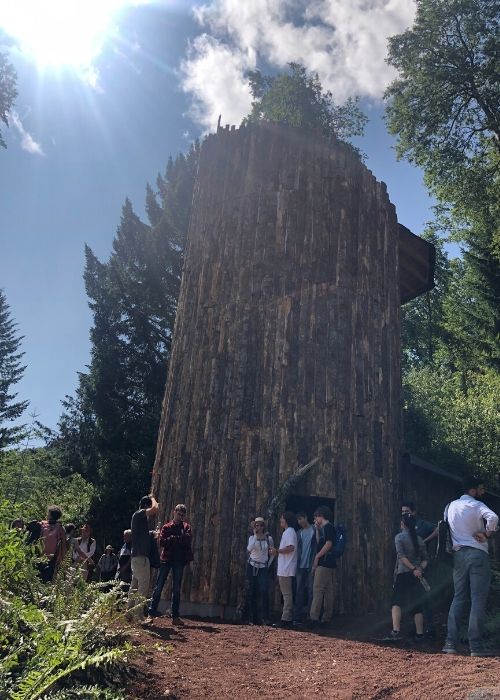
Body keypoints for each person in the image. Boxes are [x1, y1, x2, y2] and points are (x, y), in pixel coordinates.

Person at [442, 476, 498, 657]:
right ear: (472, 490)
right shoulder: (476, 505)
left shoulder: (450, 506)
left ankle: (450, 643)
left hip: (458, 555)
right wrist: (487, 534)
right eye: (480, 489)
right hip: (478, 554)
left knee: (458, 597)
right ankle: (476, 646)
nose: (482, 492)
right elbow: (494, 517)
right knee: (477, 599)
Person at [385, 513, 428, 642]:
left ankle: (396, 631)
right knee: (417, 604)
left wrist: (413, 569)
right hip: (416, 576)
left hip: (403, 574)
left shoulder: (399, 537)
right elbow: (425, 559)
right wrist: (419, 569)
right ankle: (420, 634)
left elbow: (401, 557)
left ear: (403, 524)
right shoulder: (419, 539)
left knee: (396, 602)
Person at [147, 503, 193, 624]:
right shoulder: (167, 527)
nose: (180, 517)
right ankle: (151, 614)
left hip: (179, 560)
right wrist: (177, 538)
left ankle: (175, 616)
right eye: (178, 514)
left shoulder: (186, 527)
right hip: (166, 559)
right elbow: (162, 542)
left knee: (176, 589)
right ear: (174, 512)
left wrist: (172, 539)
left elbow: (187, 539)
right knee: (159, 586)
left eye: (182, 515)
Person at [401, 502, 437, 637]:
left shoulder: (422, 524)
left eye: (407, 511)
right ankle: (416, 628)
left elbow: (438, 529)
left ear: (414, 512)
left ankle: (430, 628)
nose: (404, 513)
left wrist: (425, 541)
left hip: (422, 566)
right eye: (403, 511)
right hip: (408, 567)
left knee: (424, 597)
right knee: (411, 598)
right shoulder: (403, 526)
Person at [128, 494, 158, 620]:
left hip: (137, 558)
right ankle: (138, 616)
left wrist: (152, 533)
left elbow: (143, 535)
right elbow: (154, 509)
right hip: (141, 558)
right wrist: (153, 498)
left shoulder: (139, 520)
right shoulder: (139, 513)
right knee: (143, 587)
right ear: (146, 506)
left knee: (134, 586)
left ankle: (129, 612)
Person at [308, 506, 336, 628]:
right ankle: (326, 617)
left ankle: (314, 617)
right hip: (329, 563)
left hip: (324, 563)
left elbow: (329, 544)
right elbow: (321, 542)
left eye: (316, 517)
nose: (315, 519)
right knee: (328, 590)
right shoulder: (325, 528)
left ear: (321, 515)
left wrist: (317, 557)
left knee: (318, 589)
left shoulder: (329, 527)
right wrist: (317, 530)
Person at [245, 516, 275, 625]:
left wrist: (268, 563)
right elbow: (249, 549)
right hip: (252, 565)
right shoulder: (252, 538)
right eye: (256, 525)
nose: (258, 527)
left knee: (264, 591)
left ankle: (264, 618)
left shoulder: (268, 538)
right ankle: (252, 618)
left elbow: (272, 553)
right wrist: (255, 536)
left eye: (260, 525)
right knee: (252, 591)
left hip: (263, 567)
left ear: (263, 526)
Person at [269, 511, 297, 628]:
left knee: (287, 594)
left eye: (282, 518)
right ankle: (287, 618)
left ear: (286, 520)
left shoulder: (289, 532)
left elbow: (291, 547)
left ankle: (286, 619)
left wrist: (277, 551)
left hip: (286, 568)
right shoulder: (288, 532)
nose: (280, 520)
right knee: (286, 594)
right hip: (285, 567)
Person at [293, 511, 316, 625]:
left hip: (311, 565)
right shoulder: (298, 533)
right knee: (299, 592)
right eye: (298, 520)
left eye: (301, 518)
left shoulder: (315, 530)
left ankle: (311, 617)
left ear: (306, 517)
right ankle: (297, 617)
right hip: (300, 566)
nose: (299, 521)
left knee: (311, 591)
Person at [39, 505, 67, 583]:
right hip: (40, 556)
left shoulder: (60, 528)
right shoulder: (42, 524)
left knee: (47, 579)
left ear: (51, 514)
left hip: (53, 558)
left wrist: (63, 560)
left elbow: (63, 545)